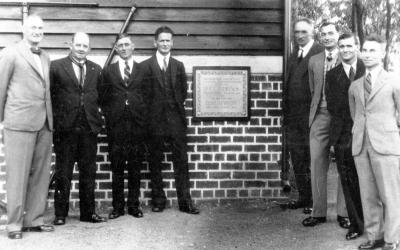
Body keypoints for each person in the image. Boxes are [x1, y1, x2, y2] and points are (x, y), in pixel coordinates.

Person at [0, 15, 54, 239]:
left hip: (44, 122)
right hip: (19, 123)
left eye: (41, 27)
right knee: (17, 175)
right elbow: (1, 88)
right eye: (33, 27)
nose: (37, 31)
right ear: (23, 29)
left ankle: (34, 220)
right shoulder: (10, 53)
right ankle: (14, 225)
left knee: (41, 175)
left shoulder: (46, 56)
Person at [140, 26, 199, 214]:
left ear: (172, 43)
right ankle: (158, 200)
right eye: (162, 40)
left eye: (168, 40)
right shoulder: (145, 66)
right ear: (155, 42)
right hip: (154, 121)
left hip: (176, 121)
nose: (165, 44)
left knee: (181, 162)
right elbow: (144, 95)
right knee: (155, 161)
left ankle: (185, 201)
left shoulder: (178, 65)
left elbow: (183, 92)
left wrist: (172, 110)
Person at [349, 34, 400, 250]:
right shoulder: (355, 86)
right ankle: (374, 236)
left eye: (373, 50)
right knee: (368, 194)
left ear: (382, 53)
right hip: (361, 145)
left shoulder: (394, 81)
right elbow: (356, 115)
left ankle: (391, 239)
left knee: (390, 194)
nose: (368, 54)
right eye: (365, 50)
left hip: (386, 144)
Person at [50, 32, 106, 225]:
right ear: (71, 45)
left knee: (88, 172)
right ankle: (60, 214)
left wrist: (97, 120)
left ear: (89, 48)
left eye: (85, 46)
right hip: (66, 130)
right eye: (78, 45)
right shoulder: (56, 67)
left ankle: (87, 213)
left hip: (88, 129)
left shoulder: (95, 69)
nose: (81, 49)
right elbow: (50, 97)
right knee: (64, 172)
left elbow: (102, 97)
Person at [303, 22, 348, 227]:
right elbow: (313, 89)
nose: (327, 37)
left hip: (341, 118)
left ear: (338, 35)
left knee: (343, 164)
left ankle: (344, 213)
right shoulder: (313, 60)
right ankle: (318, 212)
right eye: (323, 34)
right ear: (319, 38)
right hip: (319, 116)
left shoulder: (347, 56)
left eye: (331, 33)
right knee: (317, 163)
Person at [99, 34, 146, 219]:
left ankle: (134, 206)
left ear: (133, 47)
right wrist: (111, 114)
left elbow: (148, 94)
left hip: (137, 124)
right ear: (116, 49)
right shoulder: (109, 71)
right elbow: (103, 96)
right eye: (120, 46)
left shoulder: (143, 69)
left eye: (127, 44)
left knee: (135, 166)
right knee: (117, 166)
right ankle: (117, 207)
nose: (124, 48)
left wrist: (141, 115)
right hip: (116, 124)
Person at [325, 33, 365, 240]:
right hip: (343, 136)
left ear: (357, 47)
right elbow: (332, 108)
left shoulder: (369, 70)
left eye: (350, 45)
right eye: (342, 46)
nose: (346, 49)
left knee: (369, 180)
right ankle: (357, 225)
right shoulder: (332, 76)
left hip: (367, 134)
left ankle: (378, 224)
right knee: (348, 182)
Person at [282, 18, 323, 214]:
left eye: (304, 32)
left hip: (311, 117)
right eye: (297, 32)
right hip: (293, 118)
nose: (299, 36)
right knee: (297, 158)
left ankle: (315, 201)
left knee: (312, 158)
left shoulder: (319, 53)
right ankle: (304, 197)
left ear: (312, 33)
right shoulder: (294, 55)